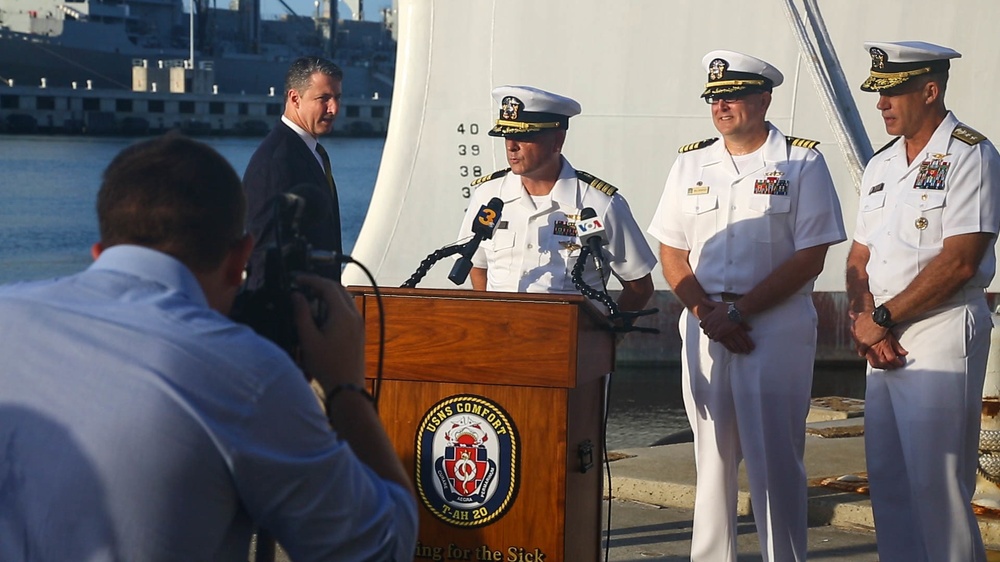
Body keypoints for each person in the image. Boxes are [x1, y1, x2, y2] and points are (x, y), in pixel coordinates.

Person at [0, 134, 417, 561]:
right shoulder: (247, 375)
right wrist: (346, 389)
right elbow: (383, 548)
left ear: (99, 252)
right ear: (240, 260)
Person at [647, 50, 847, 561]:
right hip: (706, 324)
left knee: (775, 457)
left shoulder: (802, 161)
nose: (722, 105)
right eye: (715, 97)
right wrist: (704, 313)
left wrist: (738, 313)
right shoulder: (690, 162)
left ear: (764, 98)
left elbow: (812, 255)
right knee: (710, 457)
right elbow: (671, 250)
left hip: (774, 327)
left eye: (733, 95)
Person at [846, 41, 1000, 562]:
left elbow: (960, 260)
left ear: (930, 90)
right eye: (880, 94)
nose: (882, 104)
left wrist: (882, 319)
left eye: (893, 92)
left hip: (939, 329)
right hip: (882, 334)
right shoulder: (882, 164)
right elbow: (859, 255)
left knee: (939, 486)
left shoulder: (970, 154)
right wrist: (865, 317)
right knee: (888, 480)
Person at [456, 85, 656, 314]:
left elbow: (639, 286)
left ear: (557, 141)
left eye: (523, 136)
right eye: (507, 135)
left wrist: (606, 339)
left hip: (565, 345)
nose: (511, 146)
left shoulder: (599, 204)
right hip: (498, 342)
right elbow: (477, 265)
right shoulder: (488, 195)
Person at [243, 56, 344, 287]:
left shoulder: (313, 153)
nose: (334, 108)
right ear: (294, 98)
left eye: (337, 97)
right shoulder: (275, 163)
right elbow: (262, 254)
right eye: (324, 98)